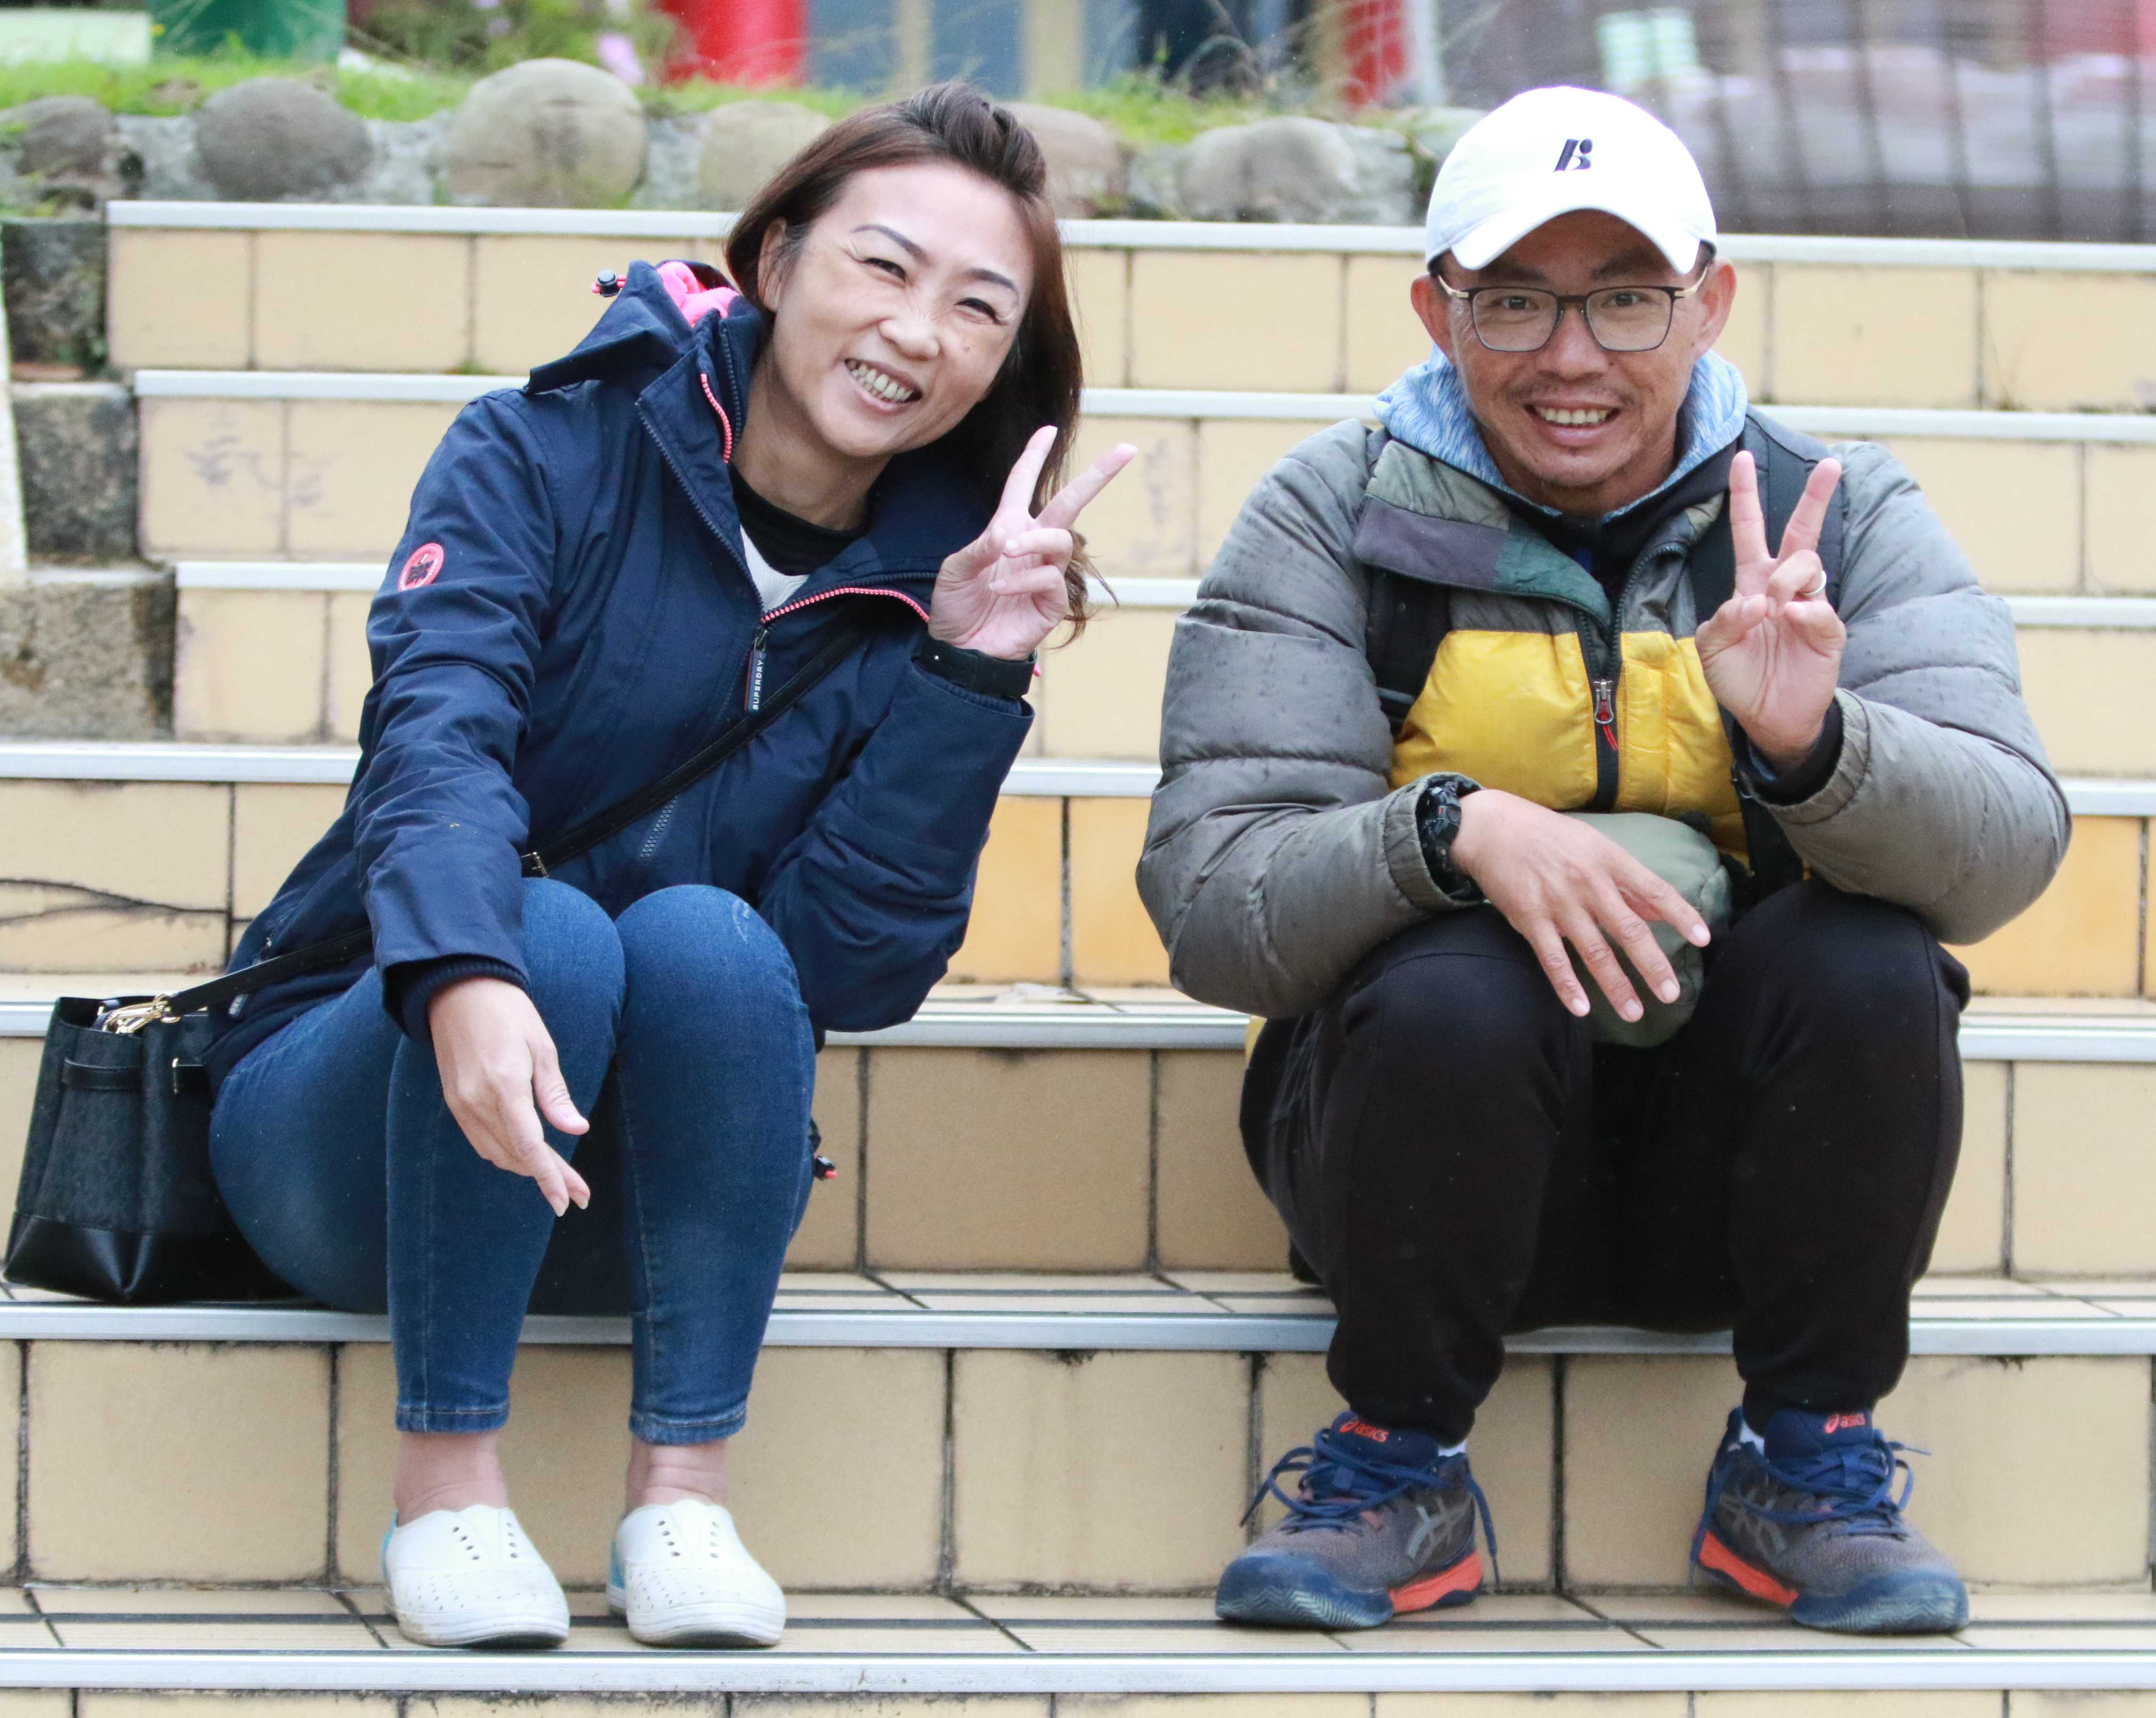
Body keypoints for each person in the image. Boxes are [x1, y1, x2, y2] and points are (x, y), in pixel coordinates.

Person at [203, 83, 1132, 1653]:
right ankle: (445, 1492)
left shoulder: (942, 587)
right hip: (370, 1124)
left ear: (1006, 361)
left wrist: (968, 671)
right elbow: (435, 739)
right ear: (774, 259)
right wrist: (464, 972)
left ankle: (682, 1501)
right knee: (550, 932)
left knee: (708, 937)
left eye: (980, 307)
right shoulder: (542, 451)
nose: (917, 331)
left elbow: (844, 974)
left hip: (647, 1196)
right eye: (883, 266)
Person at [1138, 86, 2067, 1638]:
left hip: (1743, 1186)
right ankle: (1396, 1464)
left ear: (1708, 300)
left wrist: (1810, 745)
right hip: (1417, 1163)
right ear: (1436, 312)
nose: (1570, 357)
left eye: (1625, 299)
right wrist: (1449, 832)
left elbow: (2002, 853)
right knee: (1453, 976)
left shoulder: (1834, 515)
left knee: (1869, 958)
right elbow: (1214, 905)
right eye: (1514, 301)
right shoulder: (1329, 516)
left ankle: (1803, 1462)